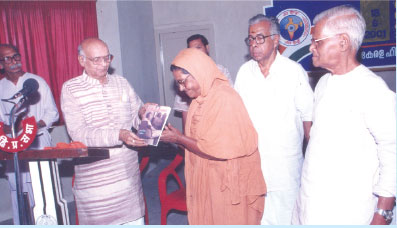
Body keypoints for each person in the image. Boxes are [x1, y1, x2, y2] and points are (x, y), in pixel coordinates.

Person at [292, 5, 396, 225]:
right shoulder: (323, 83)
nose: (311, 48)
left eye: (316, 41)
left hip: (349, 210)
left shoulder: (373, 90)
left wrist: (383, 214)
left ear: (343, 42)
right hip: (311, 205)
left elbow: (392, 152)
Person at [161, 48, 266, 225]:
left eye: (182, 82)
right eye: (178, 83)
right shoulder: (198, 101)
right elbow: (194, 142)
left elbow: (214, 149)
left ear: (198, 72)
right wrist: (175, 137)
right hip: (207, 177)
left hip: (226, 183)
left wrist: (179, 138)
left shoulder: (224, 98)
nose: (181, 88)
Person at [234, 14, 314, 225]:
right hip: (254, 164)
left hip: (286, 166)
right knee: (259, 219)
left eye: (260, 38)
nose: (254, 44)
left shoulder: (293, 72)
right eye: (250, 39)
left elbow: (308, 118)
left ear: (276, 40)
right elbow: (237, 116)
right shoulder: (244, 73)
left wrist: (313, 161)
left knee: (290, 218)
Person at [60, 38, 148, 225]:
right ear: (81, 60)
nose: (104, 64)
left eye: (107, 58)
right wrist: (118, 134)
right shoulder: (71, 89)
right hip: (95, 180)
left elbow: (136, 116)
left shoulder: (121, 83)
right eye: (96, 60)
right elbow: (79, 133)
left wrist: (146, 114)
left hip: (127, 174)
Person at [0, 44, 59, 224]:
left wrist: (33, 127)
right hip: (13, 145)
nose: (14, 62)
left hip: (38, 141)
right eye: (8, 58)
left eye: (16, 56)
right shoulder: (0, 87)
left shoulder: (36, 81)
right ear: (1, 64)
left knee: (43, 191)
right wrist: (10, 129)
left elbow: (52, 113)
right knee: (18, 191)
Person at [174, 34, 233, 126]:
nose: (196, 53)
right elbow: (185, 110)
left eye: (198, 48)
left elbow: (230, 101)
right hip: (196, 125)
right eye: (192, 51)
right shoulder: (185, 75)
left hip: (220, 123)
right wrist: (185, 138)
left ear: (207, 48)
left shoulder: (220, 71)